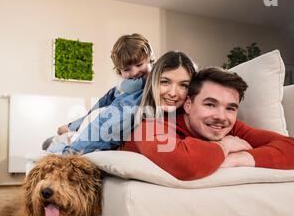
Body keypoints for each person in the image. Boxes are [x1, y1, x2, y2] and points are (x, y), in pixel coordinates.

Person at [122, 67, 294, 180]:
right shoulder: (152, 126)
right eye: (210, 104)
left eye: (231, 108)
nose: (221, 116)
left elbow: (290, 146)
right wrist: (224, 146)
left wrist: (238, 158)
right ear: (188, 104)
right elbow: (185, 164)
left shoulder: (229, 126)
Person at [42, 33, 154, 152]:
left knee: (50, 144)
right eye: (127, 69)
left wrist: (71, 151)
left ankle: (63, 141)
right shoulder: (117, 90)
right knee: (52, 140)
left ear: (150, 59)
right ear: (119, 71)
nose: (135, 72)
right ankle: (68, 133)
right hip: (90, 125)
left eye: (139, 64)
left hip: (96, 136)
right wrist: (71, 126)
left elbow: (106, 128)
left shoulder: (140, 94)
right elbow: (95, 111)